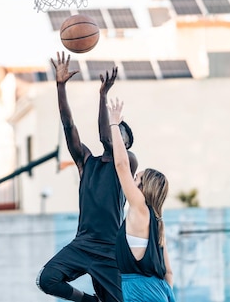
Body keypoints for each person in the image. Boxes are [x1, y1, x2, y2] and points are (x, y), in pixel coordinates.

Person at [36, 52, 137, 302]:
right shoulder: (86, 162)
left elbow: (106, 137)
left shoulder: (127, 163)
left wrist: (102, 96)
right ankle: (89, 301)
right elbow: (68, 125)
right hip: (83, 245)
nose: (115, 134)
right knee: (46, 279)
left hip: (110, 251)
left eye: (120, 132)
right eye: (116, 128)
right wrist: (60, 86)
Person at [107, 97, 176, 302]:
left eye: (137, 178)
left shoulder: (140, 208)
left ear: (144, 188)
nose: (132, 179)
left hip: (141, 294)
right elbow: (168, 274)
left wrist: (114, 123)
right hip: (159, 294)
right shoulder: (158, 223)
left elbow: (121, 165)